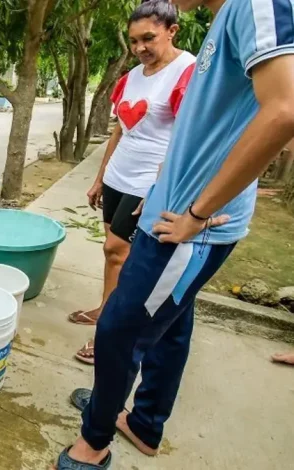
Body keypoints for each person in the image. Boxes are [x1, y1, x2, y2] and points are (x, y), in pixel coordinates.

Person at [55, 0, 294, 467]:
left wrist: (197, 214)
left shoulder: (256, 5)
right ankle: (142, 423)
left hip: (185, 230)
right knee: (170, 326)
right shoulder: (225, 19)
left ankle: (93, 442)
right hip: (169, 210)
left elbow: (284, 111)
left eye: (149, 37)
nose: (141, 45)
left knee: (120, 328)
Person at [70, 1, 196, 366]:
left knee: (116, 250)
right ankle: (105, 309)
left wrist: (161, 189)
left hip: (148, 181)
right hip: (118, 176)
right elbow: (120, 130)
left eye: (149, 38)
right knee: (113, 254)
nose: (140, 47)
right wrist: (99, 177)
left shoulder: (186, 71)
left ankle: (107, 334)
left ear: (172, 31)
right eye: (134, 41)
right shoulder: (132, 76)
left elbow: (186, 138)